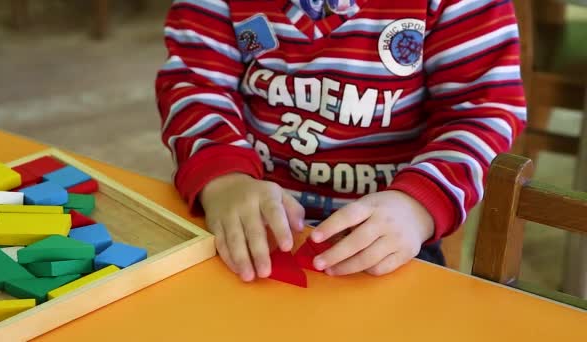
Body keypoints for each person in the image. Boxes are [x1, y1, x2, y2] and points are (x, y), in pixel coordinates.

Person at [155, 0, 526, 282]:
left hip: (388, 232)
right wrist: (224, 181)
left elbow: (481, 112)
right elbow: (195, 88)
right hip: (254, 221)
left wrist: (418, 206)